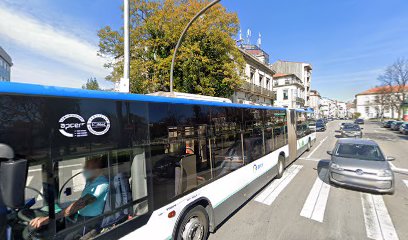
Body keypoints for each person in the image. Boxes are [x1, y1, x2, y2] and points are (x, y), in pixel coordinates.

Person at [29, 155, 109, 234]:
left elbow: (80, 204)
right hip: (80, 216)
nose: (84, 169)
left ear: (98, 169)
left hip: (89, 221)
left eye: (88, 167)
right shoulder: (91, 181)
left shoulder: (101, 184)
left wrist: (48, 219)